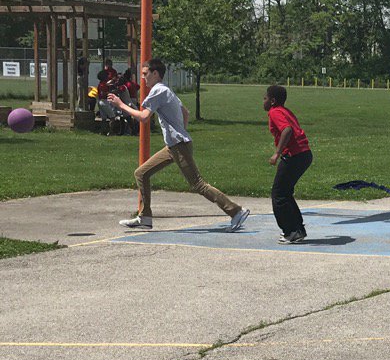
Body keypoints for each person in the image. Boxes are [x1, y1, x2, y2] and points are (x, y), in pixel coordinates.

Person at [107, 59, 249, 231]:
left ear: (155, 73)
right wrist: (179, 132)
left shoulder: (158, 90)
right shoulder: (166, 90)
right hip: (174, 146)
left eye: (145, 74)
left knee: (198, 184)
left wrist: (120, 104)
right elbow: (185, 112)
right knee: (141, 173)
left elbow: (144, 118)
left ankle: (236, 211)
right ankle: (145, 217)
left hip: (178, 146)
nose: (143, 78)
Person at [264, 85, 313, 243]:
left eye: (265, 98)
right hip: (304, 154)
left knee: (278, 195)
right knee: (285, 193)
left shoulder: (275, 112)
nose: (262, 101)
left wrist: (277, 153)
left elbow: (287, 130)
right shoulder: (286, 111)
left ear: (272, 101)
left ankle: (291, 231)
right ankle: (297, 229)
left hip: (295, 156)